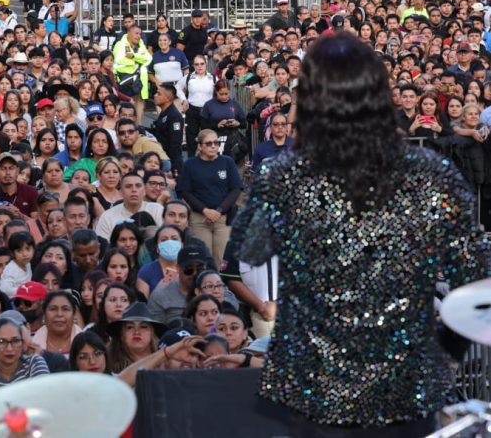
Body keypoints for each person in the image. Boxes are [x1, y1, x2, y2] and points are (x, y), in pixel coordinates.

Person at [234, 33, 488, 435]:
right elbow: (477, 281)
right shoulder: (430, 172)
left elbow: (247, 248)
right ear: (379, 92)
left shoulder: (286, 174)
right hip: (403, 380)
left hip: (317, 385)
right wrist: (442, 349)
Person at [177, 129, 242, 269]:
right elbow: (185, 191)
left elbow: (236, 189)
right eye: (209, 143)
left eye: (216, 143)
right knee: (203, 259)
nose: (213, 146)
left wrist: (218, 211)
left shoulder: (227, 162)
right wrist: (205, 210)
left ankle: (222, 290)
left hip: (223, 218)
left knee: (223, 261)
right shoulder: (190, 164)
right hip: (199, 218)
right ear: (200, 146)